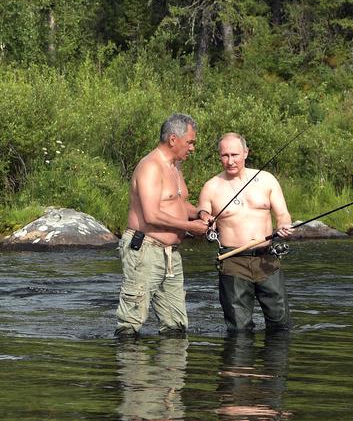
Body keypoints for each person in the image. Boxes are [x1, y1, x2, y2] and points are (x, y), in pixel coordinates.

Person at [115, 113, 210, 338]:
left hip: (170, 255)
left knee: (176, 325)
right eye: (190, 142)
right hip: (145, 250)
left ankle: (171, 372)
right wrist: (191, 228)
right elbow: (152, 215)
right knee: (131, 322)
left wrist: (200, 213)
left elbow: (179, 203)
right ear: (173, 139)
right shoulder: (150, 166)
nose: (193, 148)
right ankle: (131, 369)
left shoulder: (175, 167)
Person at [197, 132, 294, 332]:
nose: (230, 161)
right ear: (219, 156)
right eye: (225, 155)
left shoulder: (266, 180)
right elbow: (203, 214)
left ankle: (275, 363)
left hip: (267, 259)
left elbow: (283, 214)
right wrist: (207, 221)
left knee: (281, 325)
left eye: (235, 155)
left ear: (246, 153)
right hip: (233, 261)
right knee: (239, 330)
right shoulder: (211, 187)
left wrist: (284, 225)